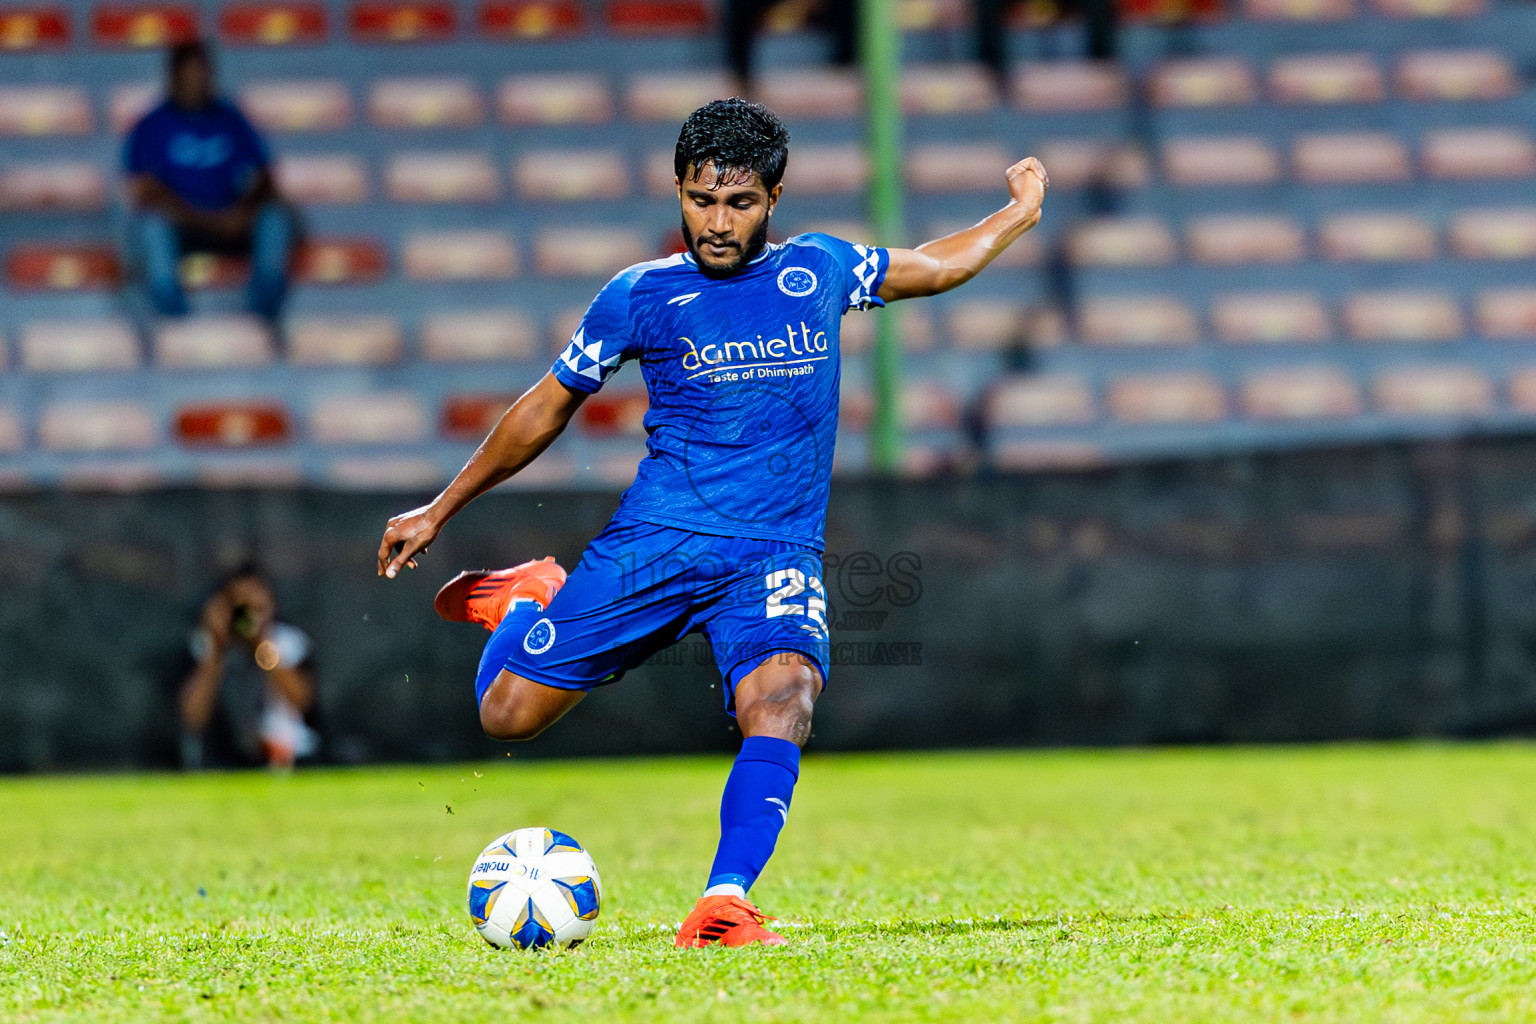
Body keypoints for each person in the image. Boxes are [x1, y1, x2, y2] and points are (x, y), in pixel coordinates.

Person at [376, 99, 1047, 947]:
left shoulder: (822, 270)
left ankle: (724, 901)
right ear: (680, 191)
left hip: (772, 554)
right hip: (655, 545)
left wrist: (1019, 213)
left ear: (774, 196)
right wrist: (444, 506)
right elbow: (547, 406)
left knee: (786, 699)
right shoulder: (641, 294)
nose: (716, 222)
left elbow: (940, 266)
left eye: (738, 203)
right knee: (505, 716)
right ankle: (525, 603)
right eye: (700, 199)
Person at [124, 39, 294, 321]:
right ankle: (173, 319)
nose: (196, 83)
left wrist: (242, 212)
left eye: (201, 75)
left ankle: (261, 315)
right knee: (151, 225)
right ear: (173, 78)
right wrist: (206, 220)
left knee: (276, 218)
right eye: (188, 76)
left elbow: (264, 175)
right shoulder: (152, 125)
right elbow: (145, 191)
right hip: (182, 228)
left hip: (232, 223)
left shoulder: (230, 118)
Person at [179, 564, 319, 770]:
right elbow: (192, 718)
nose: (247, 616)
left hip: (288, 759)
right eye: (239, 606)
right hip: (222, 762)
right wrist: (216, 649)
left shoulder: (290, 643)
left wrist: (261, 644)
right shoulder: (204, 648)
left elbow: (303, 703)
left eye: (255, 607)